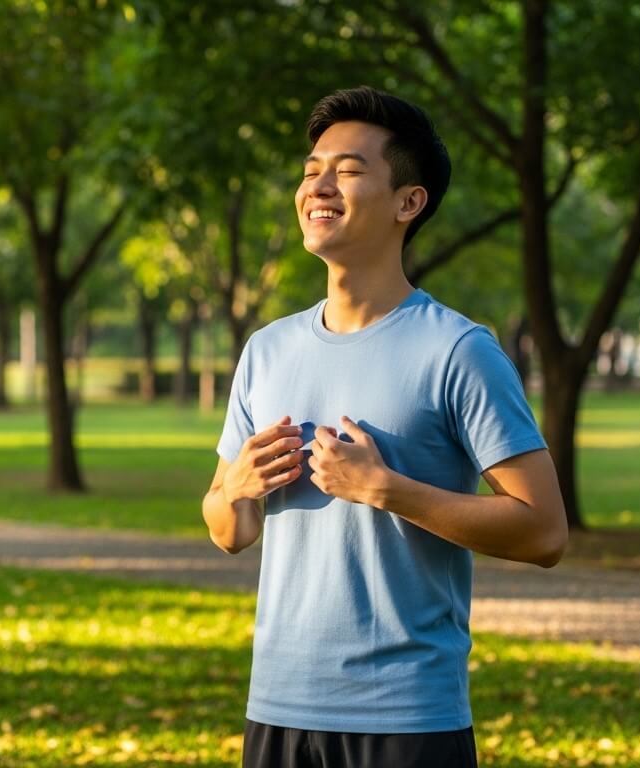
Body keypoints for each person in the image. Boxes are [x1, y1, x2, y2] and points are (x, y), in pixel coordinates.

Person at [202, 86, 568, 768]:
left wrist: (385, 489)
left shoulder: (459, 351)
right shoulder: (267, 350)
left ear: (409, 202)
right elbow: (230, 531)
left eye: (348, 168)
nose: (319, 184)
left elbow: (545, 531)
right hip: (277, 709)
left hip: (407, 718)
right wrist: (236, 491)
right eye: (312, 169)